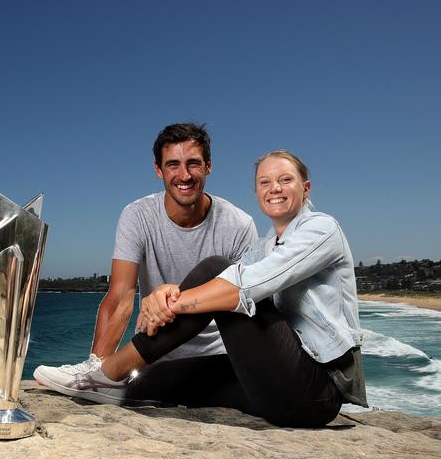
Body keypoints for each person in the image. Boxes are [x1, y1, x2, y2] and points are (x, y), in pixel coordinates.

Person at [39, 149, 368, 428]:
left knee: (216, 268)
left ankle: (106, 371)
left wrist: (171, 305)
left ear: (306, 187)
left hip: (316, 390)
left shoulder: (322, 229)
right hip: (277, 391)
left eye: (285, 180)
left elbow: (244, 286)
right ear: (256, 192)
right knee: (158, 380)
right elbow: (228, 283)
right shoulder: (266, 247)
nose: (275, 189)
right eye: (264, 182)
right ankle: (107, 386)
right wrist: (166, 292)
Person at [34, 123, 257, 396]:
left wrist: (169, 297)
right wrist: (95, 368)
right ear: (158, 170)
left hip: (216, 356)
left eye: (193, 164)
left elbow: (243, 301)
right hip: (155, 353)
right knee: (142, 386)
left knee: (215, 271)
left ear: (208, 166)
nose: (184, 175)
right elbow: (120, 298)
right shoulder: (138, 216)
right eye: (173, 164)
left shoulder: (239, 225)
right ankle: (102, 380)